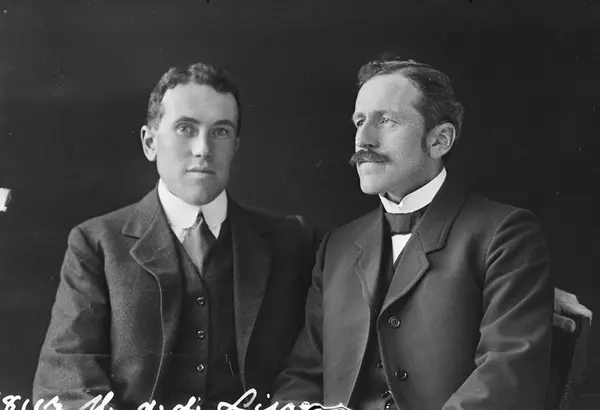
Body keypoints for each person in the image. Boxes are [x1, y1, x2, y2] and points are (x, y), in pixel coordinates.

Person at [272, 58, 554, 410]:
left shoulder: (504, 235)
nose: (363, 139)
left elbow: (507, 376)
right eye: (359, 122)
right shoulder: (337, 247)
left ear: (439, 140)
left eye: (385, 121)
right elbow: (303, 376)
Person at [33, 62, 315, 410]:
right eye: (185, 129)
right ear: (150, 143)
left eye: (220, 132)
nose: (203, 149)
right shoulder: (96, 244)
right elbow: (66, 382)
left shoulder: (291, 241)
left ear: (236, 146)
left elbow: (309, 371)